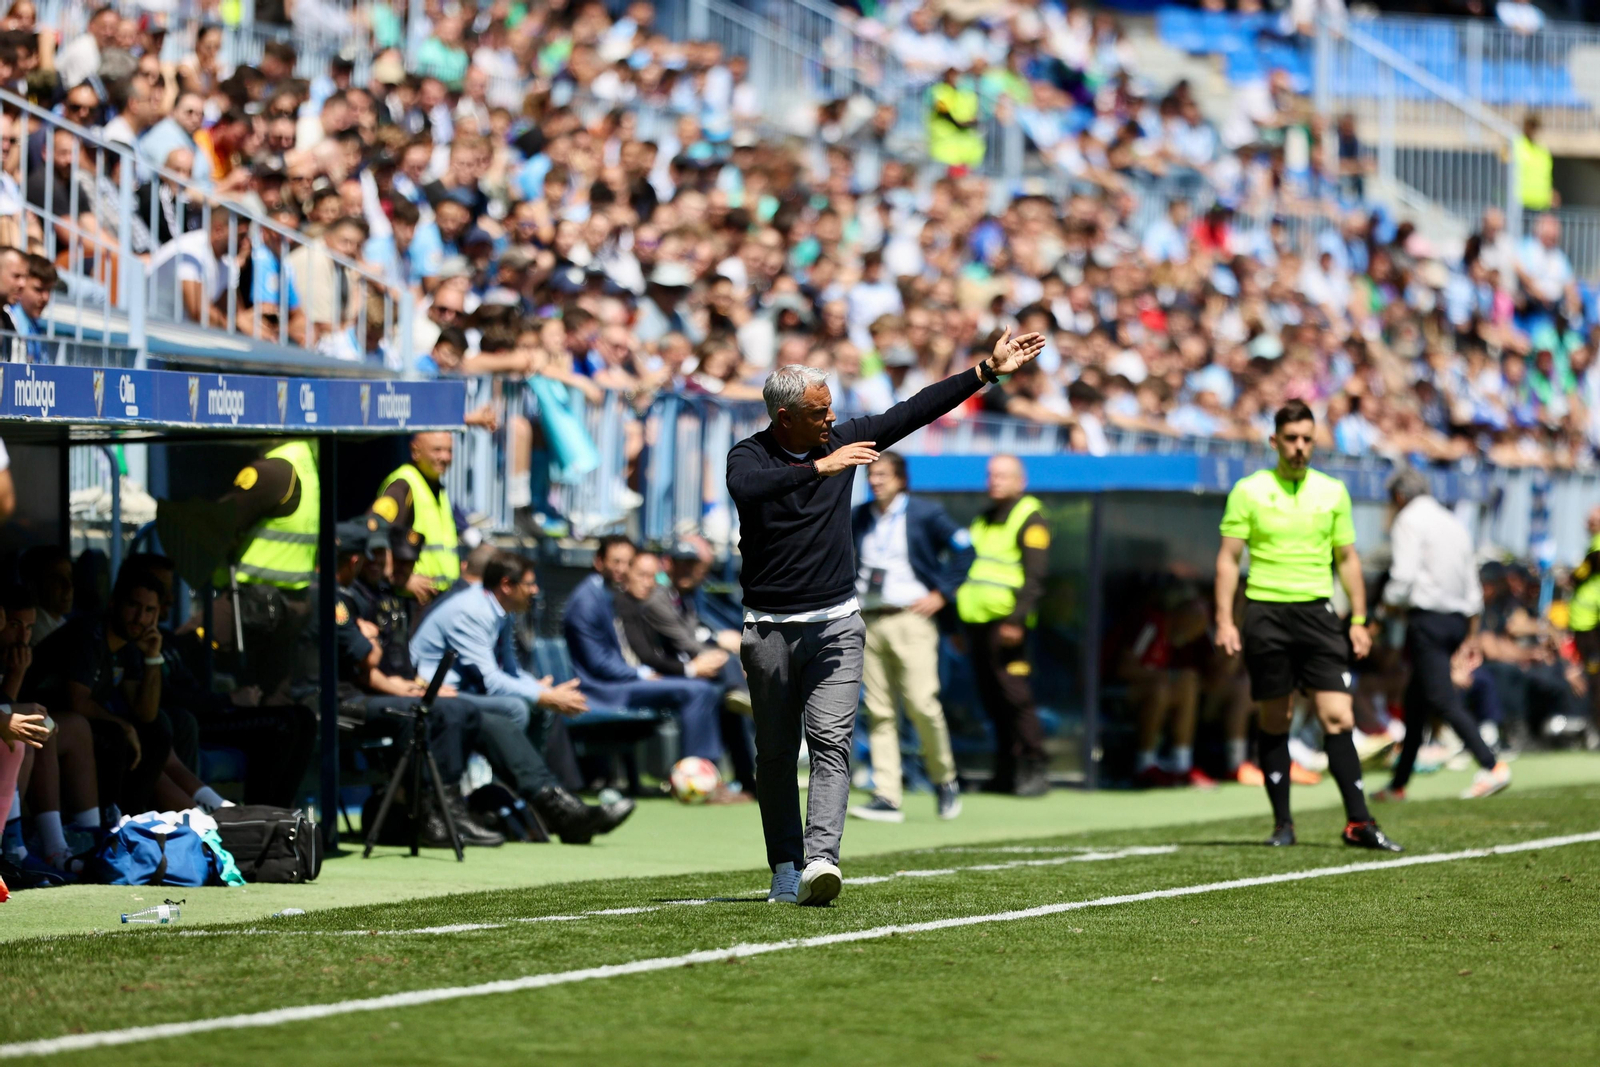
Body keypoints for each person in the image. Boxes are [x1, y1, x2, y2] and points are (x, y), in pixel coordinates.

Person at [728, 328, 1045, 907]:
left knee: (830, 740)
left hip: (836, 623)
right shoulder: (750, 455)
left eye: (831, 409)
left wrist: (986, 371)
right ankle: (784, 864)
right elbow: (747, 487)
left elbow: (915, 409)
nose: (831, 420)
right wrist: (820, 470)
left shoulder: (847, 436)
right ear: (783, 418)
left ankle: (822, 860)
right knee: (774, 753)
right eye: (818, 412)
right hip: (768, 626)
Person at [1214, 399, 1402, 851]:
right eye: (1291, 439)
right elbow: (1227, 559)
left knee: (1338, 716)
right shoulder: (1249, 490)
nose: (1299, 447)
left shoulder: (1333, 491)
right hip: (1266, 613)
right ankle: (1283, 824)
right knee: (1275, 717)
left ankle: (1359, 822)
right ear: (1274, 441)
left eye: (1307, 439)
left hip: (1318, 615)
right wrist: (1225, 619)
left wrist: (1358, 619)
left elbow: (1348, 560)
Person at [407, 550, 634, 843]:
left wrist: (544, 693)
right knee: (517, 708)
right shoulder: (472, 612)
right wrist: (543, 695)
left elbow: (510, 672)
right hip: (437, 693)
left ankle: (533, 801)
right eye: (529, 583)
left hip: (463, 692)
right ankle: (529, 799)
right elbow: (491, 681)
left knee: (540, 708)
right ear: (506, 585)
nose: (536, 590)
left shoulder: (501, 610)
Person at [847, 451, 971, 823]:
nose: (875, 481)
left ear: (901, 479)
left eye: (883, 474)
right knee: (880, 710)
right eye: (871, 475)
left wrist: (941, 594)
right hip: (870, 618)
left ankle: (944, 780)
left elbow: (966, 551)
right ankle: (887, 795)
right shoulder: (859, 517)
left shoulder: (926, 512)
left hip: (911, 620)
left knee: (922, 703)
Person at [1373, 469, 1510, 802]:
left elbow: (1403, 577)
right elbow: (1471, 586)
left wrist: (1381, 611)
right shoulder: (1453, 522)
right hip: (1455, 620)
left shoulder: (1408, 520)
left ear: (1399, 497)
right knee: (1416, 703)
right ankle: (1398, 784)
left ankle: (1491, 764)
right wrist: (1471, 634)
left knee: (1440, 698)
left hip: (1426, 621)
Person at [562, 537, 725, 766]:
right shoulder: (587, 600)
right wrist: (641, 674)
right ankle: (699, 773)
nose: (622, 569)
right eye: (616, 562)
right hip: (601, 689)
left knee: (708, 687)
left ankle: (716, 773)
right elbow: (598, 663)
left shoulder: (609, 594)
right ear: (599, 562)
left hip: (623, 680)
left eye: (628, 563)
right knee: (698, 690)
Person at [955, 454, 1052, 797]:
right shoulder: (984, 518)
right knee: (992, 699)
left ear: (1020, 481)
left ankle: (1034, 767)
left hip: (1007, 624)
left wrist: (1017, 620)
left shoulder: (1030, 517)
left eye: (1002, 476)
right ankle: (1006, 770)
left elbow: (1036, 576)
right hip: (978, 623)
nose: (993, 481)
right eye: (990, 475)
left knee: (1016, 697)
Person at [216, 438, 319, 702]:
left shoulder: (273, 469)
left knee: (185, 648)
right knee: (274, 691)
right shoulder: (305, 462)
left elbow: (216, 523)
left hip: (253, 601)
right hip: (292, 603)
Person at [370, 431, 460, 602]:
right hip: (411, 600)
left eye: (449, 451)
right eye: (437, 450)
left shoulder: (436, 488)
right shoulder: (403, 484)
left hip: (437, 599)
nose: (445, 457)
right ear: (415, 451)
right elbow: (375, 533)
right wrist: (398, 579)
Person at [1569, 505, 1600, 733]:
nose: (1588, 524)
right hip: (1588, 620)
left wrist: (1570, 578)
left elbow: (1579, 575)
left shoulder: (1597, 547)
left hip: (1591, 623)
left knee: (1595, 675)